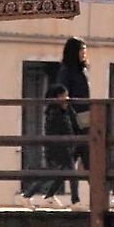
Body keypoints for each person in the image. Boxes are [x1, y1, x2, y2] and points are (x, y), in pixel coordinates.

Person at [36, 37, 90, 206]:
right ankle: (85, 199)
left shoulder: (80, 71)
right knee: (86, 160)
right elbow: (61, 98)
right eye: (81, 49)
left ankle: (47, 196)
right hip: (75, 122)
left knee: (70, 164)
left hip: (83, 120)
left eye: (85, 50)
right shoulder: (66, 72)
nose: (84, 53)